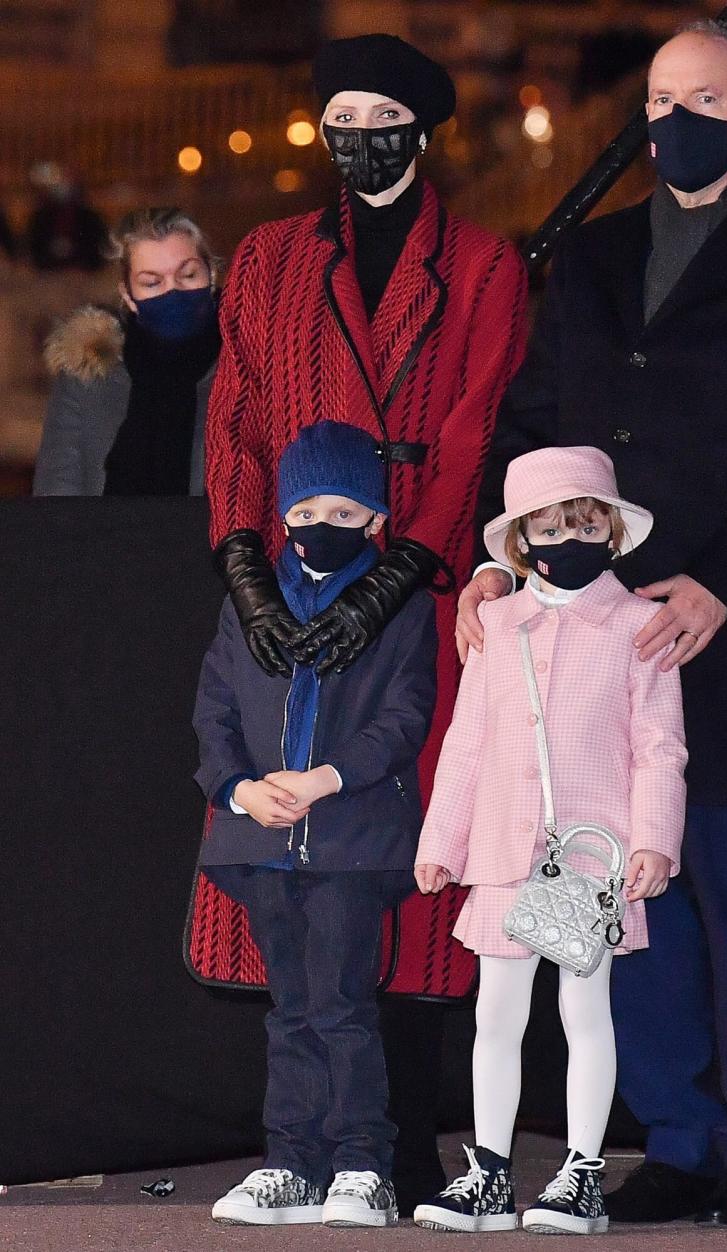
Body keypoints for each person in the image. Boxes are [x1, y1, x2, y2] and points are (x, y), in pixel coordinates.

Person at [459, 21, 727, 1229]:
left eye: (704, 98)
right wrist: (501, 558)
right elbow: (534, 422)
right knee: (615, 903)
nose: (674, 118)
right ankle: (676, 1137)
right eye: (658, 97)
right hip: (587, 633)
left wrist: (720, 578)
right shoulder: (588, 261)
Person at [197, 33, 528, 1208]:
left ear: (422, 129)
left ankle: (401, 1143)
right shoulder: (269, 257)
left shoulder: (484, 264)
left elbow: (478, 425)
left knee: (412, 855)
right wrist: (244, 562)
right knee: (296, 861)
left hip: (417, 603)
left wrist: (404, 574)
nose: (360, 132)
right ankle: (305, 1144)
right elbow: (234, 418)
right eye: (342, 112)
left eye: (382, 111)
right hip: (284, 592)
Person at [412, 446, 687, 1236]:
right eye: (552, 525)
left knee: (583, 1009)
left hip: (594, 853)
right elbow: (466, 741)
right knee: (495, 1013)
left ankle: (582, 1174)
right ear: (523, 540)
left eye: (586, 521)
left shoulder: (639, 624)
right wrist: (443, 840)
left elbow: (659, 746)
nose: (571, 536)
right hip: (503, 847)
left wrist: (655, 838)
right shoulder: (495, 623)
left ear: (610, 530)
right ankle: (490, 1174)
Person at [193, 421, 437, 1227]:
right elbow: (216, 709)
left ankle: (363, 1163)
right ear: (282, 517)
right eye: (303, 510)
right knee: (290, 1009)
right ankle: (290, 1161)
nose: (319, 525)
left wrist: (329, 778)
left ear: (375, 521)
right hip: (264, 844)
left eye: (343, 510)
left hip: (352, 845)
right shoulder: (249, 606)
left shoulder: (397, 609)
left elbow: (406, 717)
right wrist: (237, 790)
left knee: (340, 1008)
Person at [33, 207, 220, 496]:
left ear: (211, 276)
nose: (173, 291)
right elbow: (56, 500)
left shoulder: (245, 366)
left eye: (189, 274)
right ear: (128, 296)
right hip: (104, 541)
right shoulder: (88, 374)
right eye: (152, 282)